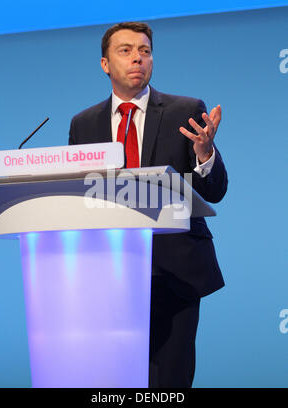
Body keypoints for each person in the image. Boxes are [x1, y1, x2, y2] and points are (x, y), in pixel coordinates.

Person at [69, 21, 228, 388]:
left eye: (144, 50)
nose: (137, 58)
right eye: (125, 50)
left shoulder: (185, 111)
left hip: (174, 271)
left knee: (169, 383)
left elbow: (216, 190)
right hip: (109, 273)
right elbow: (79, 197)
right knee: (113, 382)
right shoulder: (83, 124)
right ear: (105, 64)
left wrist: (206, 155)